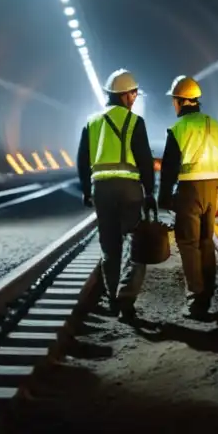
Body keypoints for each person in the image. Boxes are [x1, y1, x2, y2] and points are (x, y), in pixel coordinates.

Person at [77, 69, 157, 321]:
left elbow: (82, 160)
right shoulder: (135, 122)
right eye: (133, 93)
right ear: (125, 95)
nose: (134, 98)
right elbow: (145, 161)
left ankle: (113, 299)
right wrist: (150, 192)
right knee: (137, 245)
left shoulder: (92, 122)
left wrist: (85, 189)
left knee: (109, 248)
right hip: (129, 190)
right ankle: (126, 299)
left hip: (101, 189)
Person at [159, 75, 218, 320]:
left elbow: (169, 167)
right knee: (206, 242)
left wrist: (163, 197)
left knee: (188, 243)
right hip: (213, 189)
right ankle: (207, 294)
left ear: (180, 101)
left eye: (173, 100)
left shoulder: (179, 128)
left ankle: (195, 300)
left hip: (190, 189)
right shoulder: (215, 124)